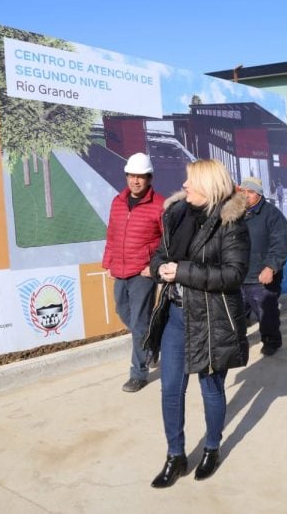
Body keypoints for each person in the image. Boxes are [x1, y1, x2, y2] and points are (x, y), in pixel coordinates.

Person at [149, 159, 250, 488]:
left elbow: (233, 275)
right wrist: (160, 269)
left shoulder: (230, 221)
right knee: (170, 390)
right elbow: (160, 255)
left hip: (211, 318)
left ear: (208, 185)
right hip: (176, 316)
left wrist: (181, 271)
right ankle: (175, 456)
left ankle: (211, 448)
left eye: (191, 181)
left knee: (210, 389)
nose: (185, 185)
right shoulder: (176, 213)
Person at [102, 152, 165, 393]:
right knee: (122, 310)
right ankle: (153, 340)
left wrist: (154, 266)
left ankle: (138, 373)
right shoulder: (117, 202)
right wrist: (109, 261)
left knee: (138, 323)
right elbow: (112, 234)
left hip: (143, 272)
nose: (135, 181)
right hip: (120, 268)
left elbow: (166, 242)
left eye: (140, 176)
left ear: (149, 178)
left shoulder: (159, 205)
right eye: (131, 176)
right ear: (126, 176)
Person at [239, 176, 287, 356]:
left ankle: (271, 341)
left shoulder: (272, 215)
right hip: (238, 275)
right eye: (242, 192)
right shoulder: (236, 213)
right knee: (236, 314)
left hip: (261, 277)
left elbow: (280, 245)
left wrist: (270, 267)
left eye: (250, 192)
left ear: (259, 195)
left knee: (266, 314)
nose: (245, 196)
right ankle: (238, 342)